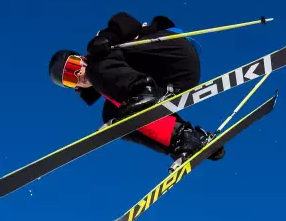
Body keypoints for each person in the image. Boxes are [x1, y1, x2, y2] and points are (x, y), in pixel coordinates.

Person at [48, 11, 224, 165]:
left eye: (72, 66)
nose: (78, 74)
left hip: (172, 54)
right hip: (176, 81)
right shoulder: (113, 90)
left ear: (80, 58)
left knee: (106, 81)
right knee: (116, 116)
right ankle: (185, 139)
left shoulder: (98, 56)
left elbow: (124, 21)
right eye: (70, 78)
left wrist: (105, 38)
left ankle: (143, 92)